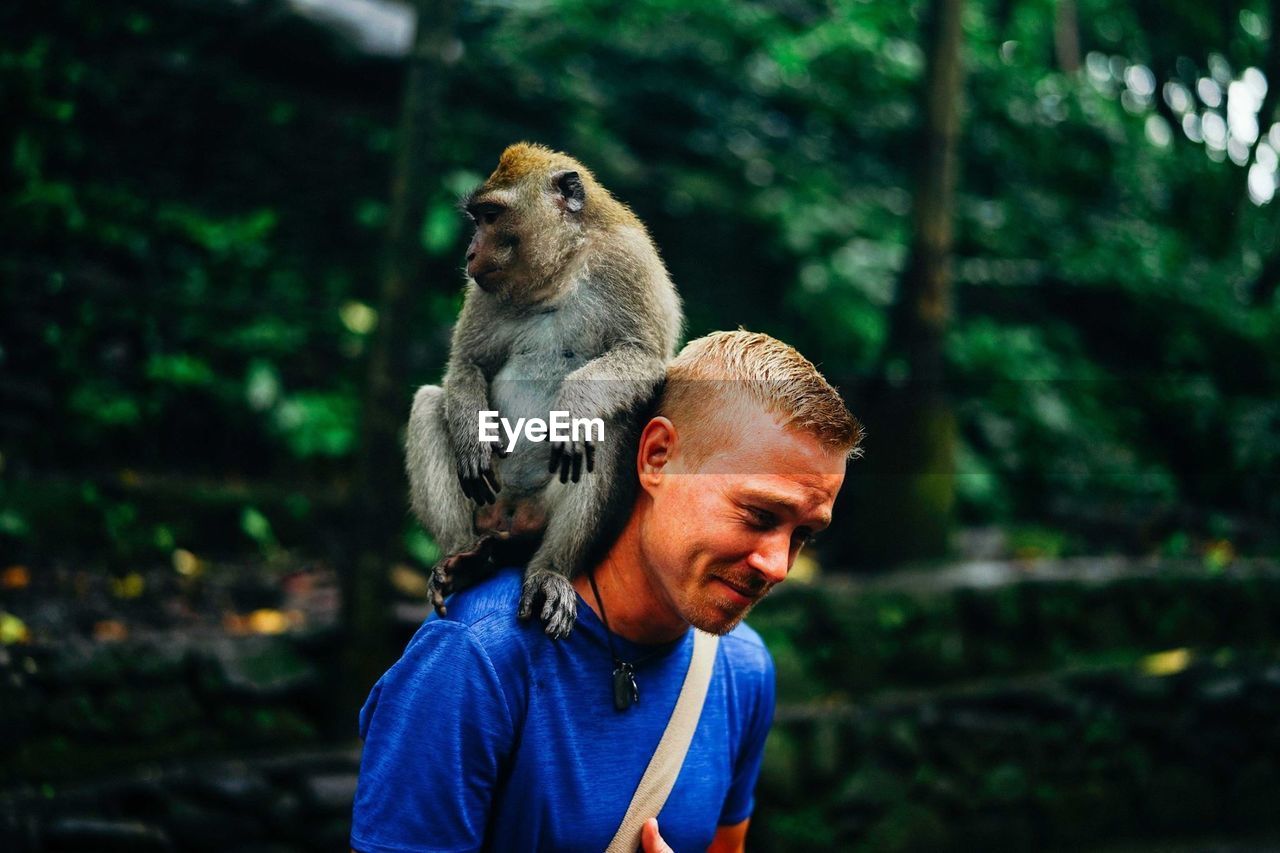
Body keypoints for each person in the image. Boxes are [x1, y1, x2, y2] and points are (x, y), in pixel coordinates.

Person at [351, 330, 863, 853]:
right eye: (759, 515)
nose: (777, 565)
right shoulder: (475, 660)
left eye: (802, 534)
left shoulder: (742, 669)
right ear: (658, 456)